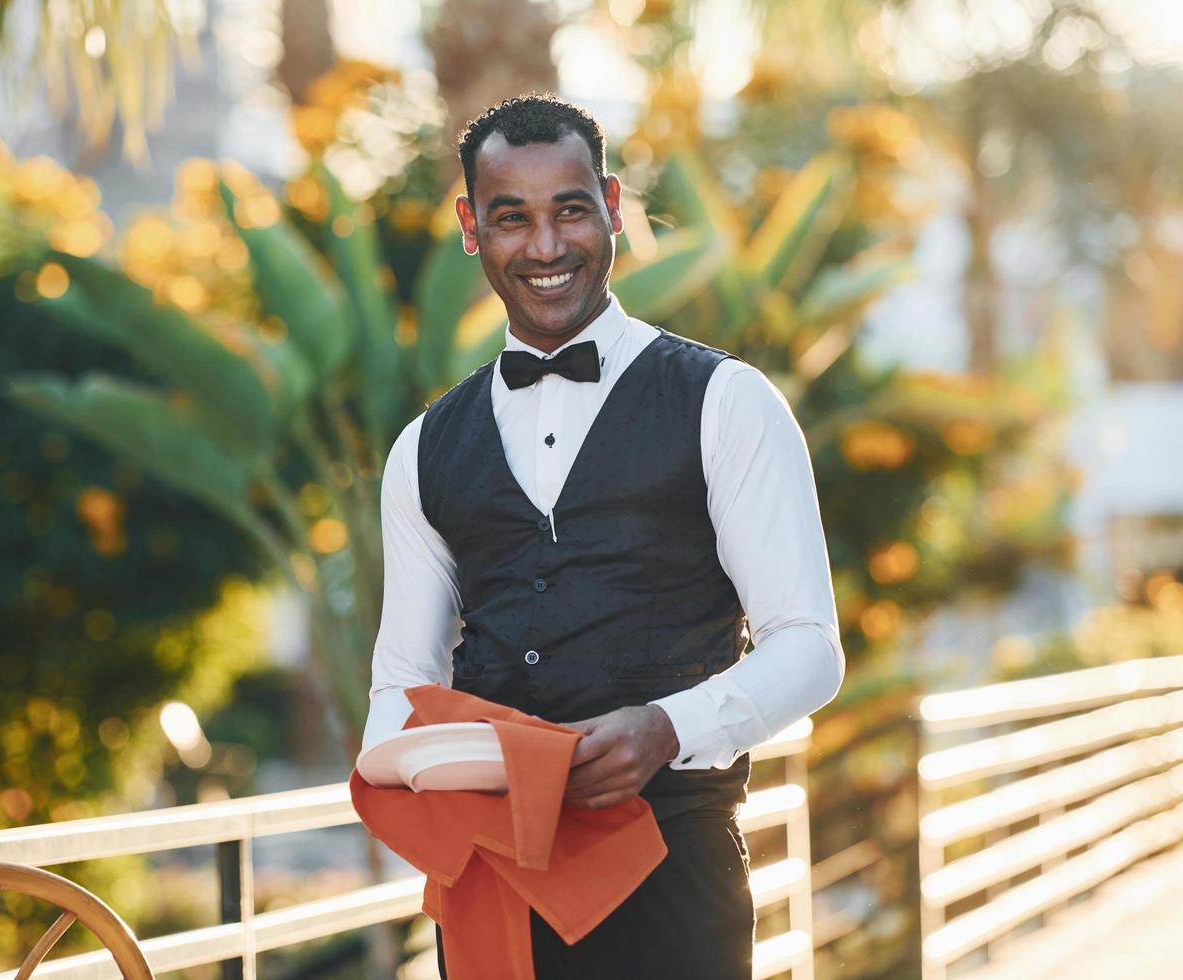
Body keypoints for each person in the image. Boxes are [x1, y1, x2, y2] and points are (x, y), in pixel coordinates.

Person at [360, 93, 845, 979]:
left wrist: (668, 726)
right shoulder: (423, 449)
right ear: (473, 227)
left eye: (571, 210)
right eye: (512, 219)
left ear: (613, 206)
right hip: (492, 878)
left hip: (673, 873)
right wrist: (420, 773)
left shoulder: (726, 403)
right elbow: (402, 683)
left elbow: (810, 648)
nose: (545, 248)